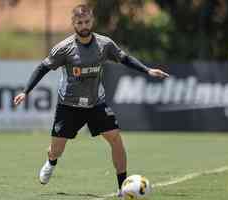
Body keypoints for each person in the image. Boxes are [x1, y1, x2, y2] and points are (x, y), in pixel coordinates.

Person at [13, 4, 169, 197]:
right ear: (73, 24)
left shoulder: (104, 44)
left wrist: (147, 70)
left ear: (92, 21)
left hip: (96, 103)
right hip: (69, 106)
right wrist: (26, 91)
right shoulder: (64, 49)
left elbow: (124, 58)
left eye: (87, 21)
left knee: (115, 138)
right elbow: (42, 68)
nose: (84, 25)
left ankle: (122, 188)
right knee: (56, 150)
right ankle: (51, 162)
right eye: (80, 22)